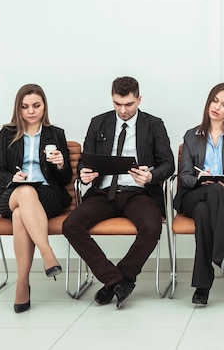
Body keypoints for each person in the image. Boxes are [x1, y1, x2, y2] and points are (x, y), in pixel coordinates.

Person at [62, 76, 175, 309]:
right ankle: (115, 280)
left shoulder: (154, 125)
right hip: (104, 192)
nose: (123, 110)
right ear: (112, 99)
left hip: (139, 192)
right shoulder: (98, 123)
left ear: (139, 99)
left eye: (129, 104)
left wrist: (151, 176)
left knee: (153, 227)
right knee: (70, 225)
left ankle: (121, 277)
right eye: (117, 104)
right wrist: (84, 173)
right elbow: (85, 161)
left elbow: (169, 164)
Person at [0, 84, 72, 313]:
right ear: (18, 109)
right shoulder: (6, 133)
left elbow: (65, 178)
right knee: (25, 193)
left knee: (21, 213)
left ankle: (22, 284)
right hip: (13, 193)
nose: (31, 111)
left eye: (36, 106)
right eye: (25, 107)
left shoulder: (55, 133)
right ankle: (47, 254)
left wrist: (60, 164)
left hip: (47, 195)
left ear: (44, 106)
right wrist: (12, 177)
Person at [173, 83, 224, 305]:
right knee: (210, 193)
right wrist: (199, 180)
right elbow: (185, 176)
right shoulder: (191, 135)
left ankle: (202, 288)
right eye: (215, 101)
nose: (217, 107)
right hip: (194, 194)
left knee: (205, 211)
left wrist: (223, 187)